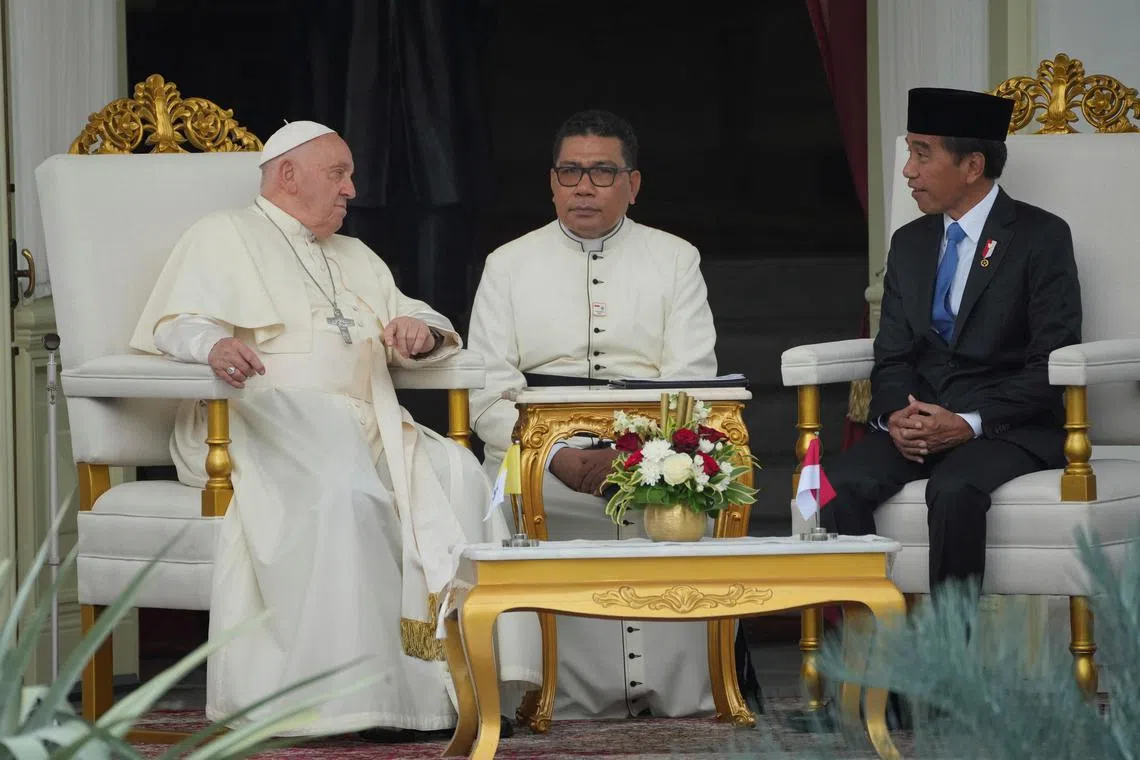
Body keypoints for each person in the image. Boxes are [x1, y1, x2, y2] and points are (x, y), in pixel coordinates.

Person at [129, 121, 540, 738]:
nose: (352, 189)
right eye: (339, 174)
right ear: (287, 174)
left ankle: (447, 694)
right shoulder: (224, 234)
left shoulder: (355, 254)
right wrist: (212, 344)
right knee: (348, 491)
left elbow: (414, 311)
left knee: (459, 475)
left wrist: (419, 331)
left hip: (365, 417)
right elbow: (175, 323)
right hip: (263, 415)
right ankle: (349, 702)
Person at [467, 110, 724, 719]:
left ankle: (679, 690)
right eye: (570, 172)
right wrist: (555, 454)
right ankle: (538, 695)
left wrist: (637, 457)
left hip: (653, 453)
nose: (584, 187)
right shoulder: (507, 263)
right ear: (552, 183)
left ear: (632, 185)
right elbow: (488, 391)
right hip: (532, 455)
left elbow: (691, 379)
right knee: (492, 509)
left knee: (688, 509)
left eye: (602, 172)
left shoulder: (675, 258)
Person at [822, 88, 1082, 589]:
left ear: (972, 165)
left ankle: (950, 641)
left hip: (1007, 427)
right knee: (837, 483)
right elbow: (893, 355)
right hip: (920, 420)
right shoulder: (910, 243)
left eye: (922, 154)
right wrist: (896, 417)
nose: (908, 171)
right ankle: (874, 633)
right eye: (909, 153)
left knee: (954, 488)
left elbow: (1051, 361)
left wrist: (968, 422)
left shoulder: (1040, 237)